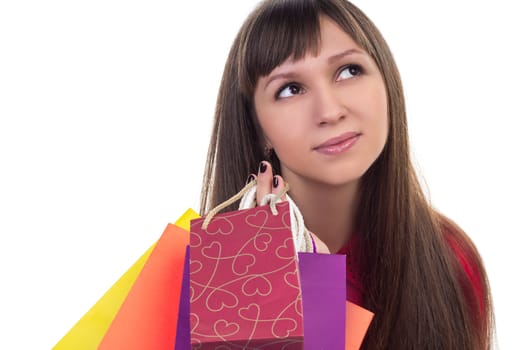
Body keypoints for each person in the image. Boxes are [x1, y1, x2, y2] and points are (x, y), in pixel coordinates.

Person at [199, 0, 494, 348]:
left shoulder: (449, 262)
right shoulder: (208, 277)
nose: (330, 111)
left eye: (348, 71)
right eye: (290, 89)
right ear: (259, 129)